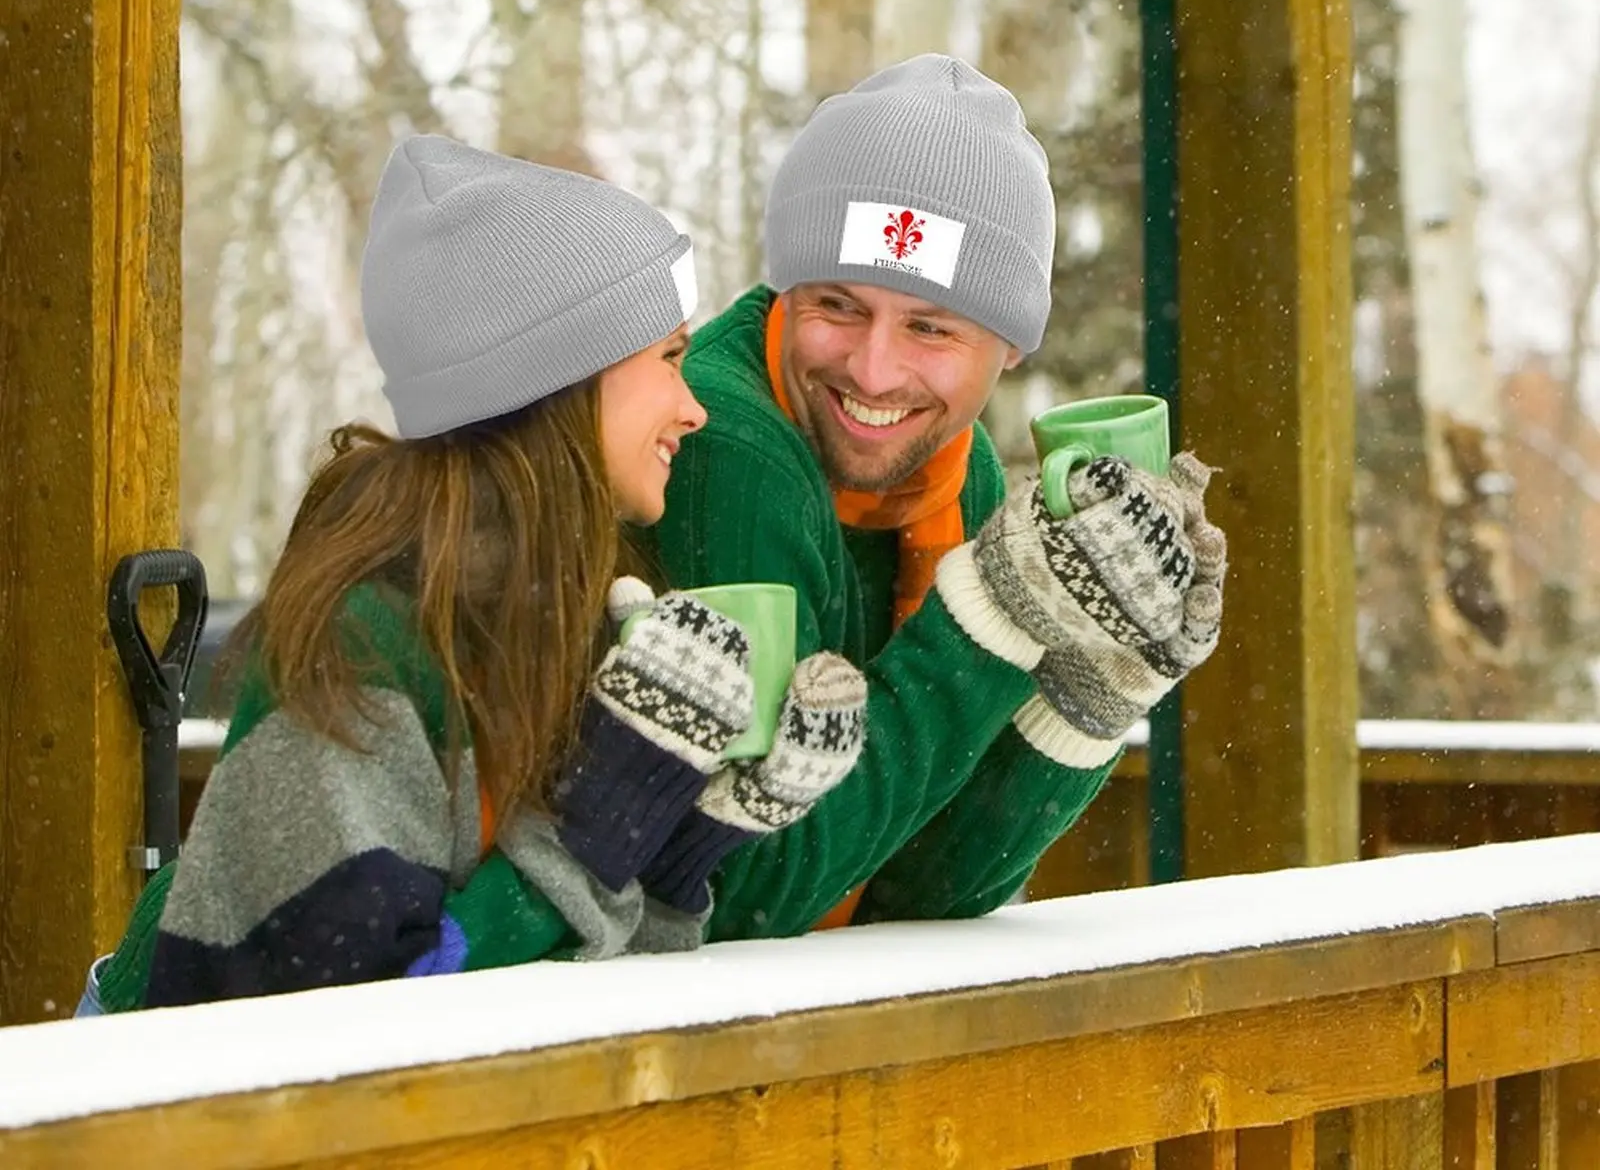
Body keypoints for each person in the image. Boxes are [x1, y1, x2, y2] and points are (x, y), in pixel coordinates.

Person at [80, 135, 866, 1014]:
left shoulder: (559, 607)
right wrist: (591, 838)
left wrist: (682, 846)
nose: (694, 408)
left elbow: (558, 988)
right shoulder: (361, 638)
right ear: (560, 379)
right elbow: (352, 1024)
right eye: (669, 359)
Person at [639, 53, 1227, 939]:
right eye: (838, 305)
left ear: (1012, 347)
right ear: (785, 292)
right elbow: (752, 887)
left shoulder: (953, 472)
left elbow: (926, 885)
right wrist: (988, 617)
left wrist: (1091, 685)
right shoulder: (727, 447)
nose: (874, 370)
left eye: (930, 327)